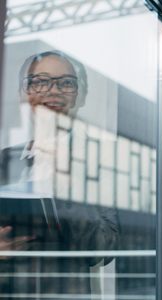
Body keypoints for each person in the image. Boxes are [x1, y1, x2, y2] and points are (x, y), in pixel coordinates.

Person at [0, 51, 120, 298]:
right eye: (39, 81)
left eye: (66, 82)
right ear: (23, 95)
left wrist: (66, 178)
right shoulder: (4, 159)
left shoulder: (103, 159)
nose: (52, 91)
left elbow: (104, 251)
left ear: (79, 96)